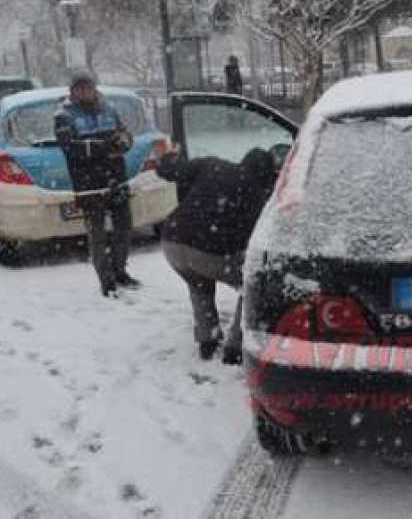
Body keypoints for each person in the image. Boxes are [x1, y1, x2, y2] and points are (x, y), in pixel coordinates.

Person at [156, 148, 278, 363]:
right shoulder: (256, 194)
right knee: (251, 283)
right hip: (206, 251)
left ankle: (207, 339)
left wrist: (166, 161)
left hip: (171, 241)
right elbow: (256, 240)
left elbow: (174, 171)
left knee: (198, 282)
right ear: (266, 176)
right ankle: (235, 347)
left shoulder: (212, 164)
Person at [54, 70, 138, 297]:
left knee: (124, 227)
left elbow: (125, 136)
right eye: (79, 88)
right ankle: (106, 280)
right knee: (97, 233)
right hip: (88, 184)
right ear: (72, 91)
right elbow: (70, 147)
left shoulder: (109, 108)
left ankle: (119, 270)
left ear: (94, 87)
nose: (85, 91)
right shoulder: (63, 115)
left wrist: (124, 141)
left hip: (116, 179)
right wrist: (104, 146)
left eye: (88, 86)